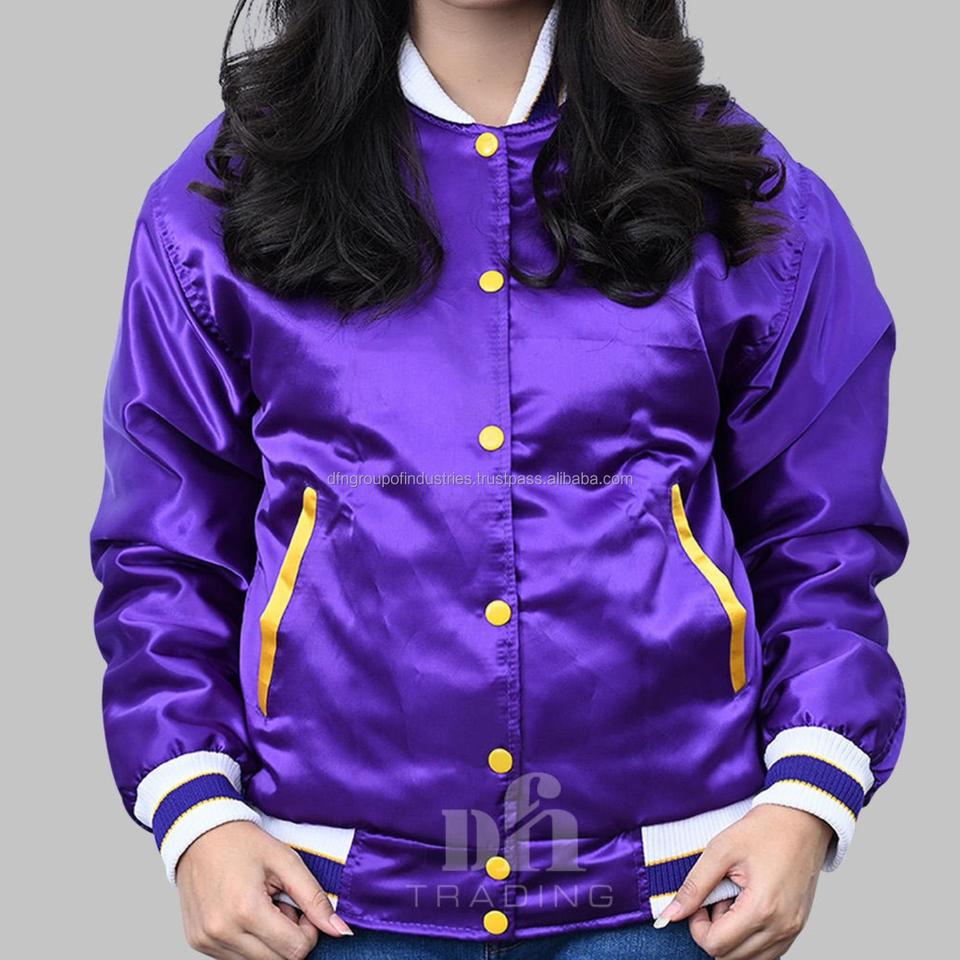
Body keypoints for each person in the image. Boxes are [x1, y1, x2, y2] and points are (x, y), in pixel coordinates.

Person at [88, 1, 909, 959]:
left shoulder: (736, 187)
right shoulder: (226, 193)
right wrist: (196, 813)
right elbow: (165, 544)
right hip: (324, 893)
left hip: (673, 890)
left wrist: (809, 794)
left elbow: (821, 532)